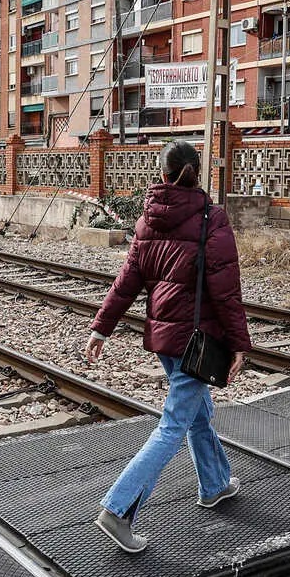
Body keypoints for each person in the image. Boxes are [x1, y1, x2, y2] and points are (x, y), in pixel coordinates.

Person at [84, 140, 252, 553]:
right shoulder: (211, 219)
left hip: (166, 339)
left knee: (197, 413)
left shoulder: (147, 220)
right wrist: (238, 345)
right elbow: (227, 292)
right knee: (173, 425)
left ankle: (214, 485)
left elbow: (126, 283)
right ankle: (118, 509)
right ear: (197, 171)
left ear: (162, 174)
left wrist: (101, 329)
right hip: (198, 341)